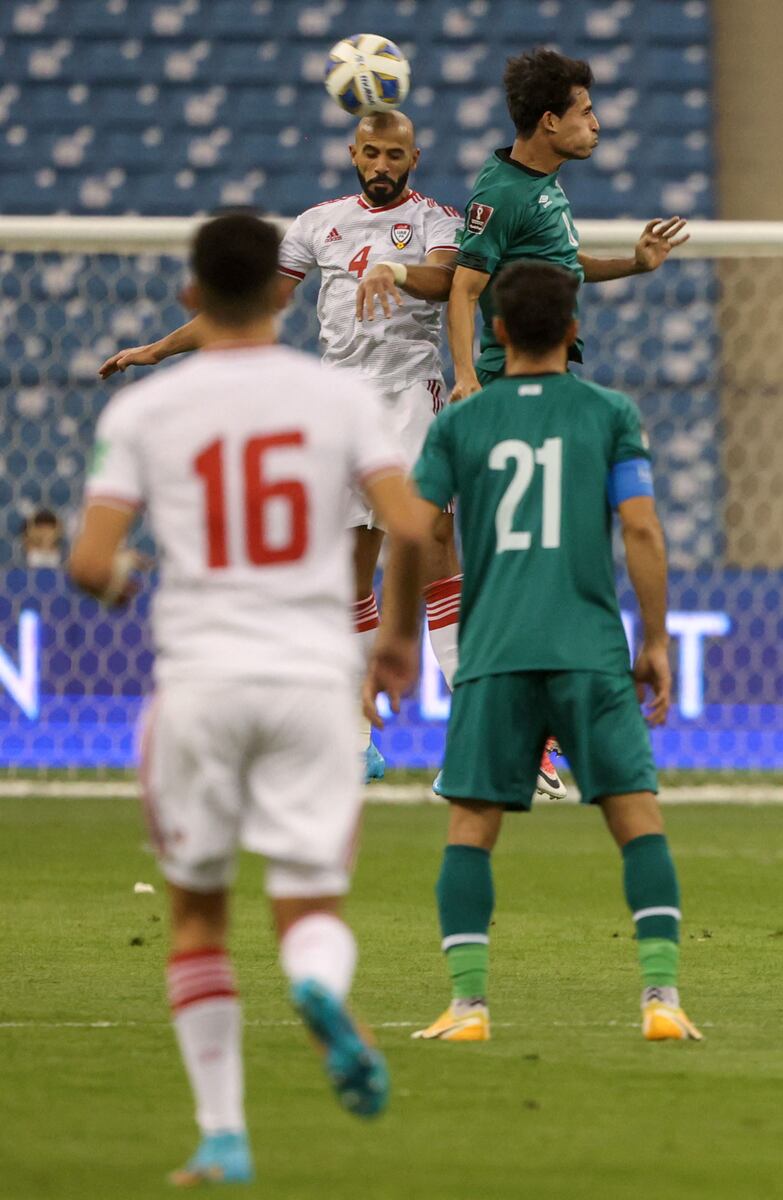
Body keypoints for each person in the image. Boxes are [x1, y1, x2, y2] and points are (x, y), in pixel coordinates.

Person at [71, 213, 426, 1186]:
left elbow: (91, 560)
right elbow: (409, 526)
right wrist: (394, 641)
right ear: (285, 292)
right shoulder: (339, 400)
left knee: (196, 918)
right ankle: (316, 986)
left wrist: (123, 578)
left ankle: (223, 1136)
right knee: (309, 896)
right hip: (314, 680)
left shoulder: (143, 416)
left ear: (189, 297)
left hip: (200, 680)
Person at [97, 111, 566, 799]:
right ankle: (353, 744)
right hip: (340, 407)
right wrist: (156, 349)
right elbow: (255, 304)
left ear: (413, 156)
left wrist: (394, 269)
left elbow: (448, 282)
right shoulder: (317, 223)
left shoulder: (437, 221)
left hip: (410, 395)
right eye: (371, 153)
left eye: (394, 154)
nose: (382, 165)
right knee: (349, 576)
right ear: (353, 154)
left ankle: (493, 735)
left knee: (436, 548)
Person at [366, 259, 702, 1045]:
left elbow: (415, 531)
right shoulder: (609, 412)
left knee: (472, 827)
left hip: (493, 652)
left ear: (498, 330)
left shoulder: (459, 425)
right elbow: (644, 530)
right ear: (574, 330)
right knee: (637, 819)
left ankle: (469, 1007)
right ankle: (661, 999)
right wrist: (653, 638)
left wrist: (394, 642)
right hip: (589, 649)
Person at [447, 47, 690, 398]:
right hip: (510, 374)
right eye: (586, 112)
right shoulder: (502, 196)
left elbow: (560, 262)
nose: (596, 124)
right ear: (550, 121)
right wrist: (466, 376)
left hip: (545, 369)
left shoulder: (541, 178)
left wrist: (635, 265)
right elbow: (464, 289)